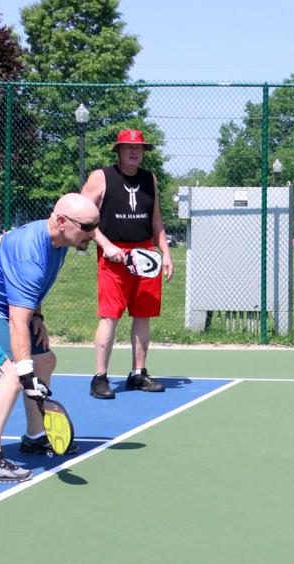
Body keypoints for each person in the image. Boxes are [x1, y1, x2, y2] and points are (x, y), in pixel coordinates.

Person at [0, 194, 100, 482]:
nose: (93, 233)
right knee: (15, 374)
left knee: (45, 361)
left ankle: (35, 436)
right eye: (88, 226)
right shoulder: (31, 251)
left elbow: (31, 291)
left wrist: (37, 317)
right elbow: (17, 319)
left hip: (4, 307)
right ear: (62, 221)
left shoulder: (60, 240)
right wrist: (25, 371)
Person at [81, 129, 173, 400]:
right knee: (110, 316)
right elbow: (82, 217)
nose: (135, 152)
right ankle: (99, 378)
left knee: (143, 315)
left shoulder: (149, 179)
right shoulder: (101, 177)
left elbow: (156, 221)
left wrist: (165, 253)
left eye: (139, 148)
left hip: (145, 255)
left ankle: (138, 373)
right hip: (114, 255)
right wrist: (106, 245)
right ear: (118, 151)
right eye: (129, 148)